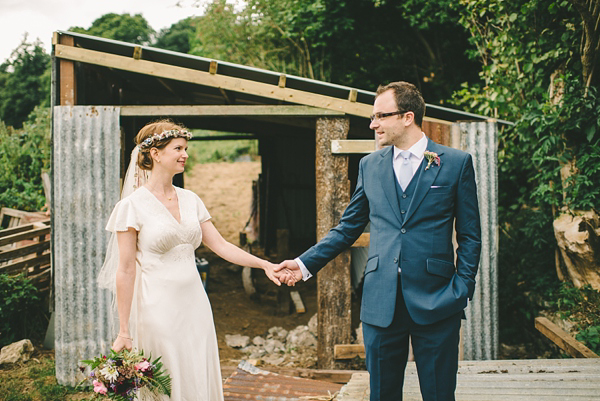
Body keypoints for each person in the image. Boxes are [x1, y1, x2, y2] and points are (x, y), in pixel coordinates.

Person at [276, 82, 481, 401]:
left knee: (440, 394)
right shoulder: (369, 166)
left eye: (380, 116)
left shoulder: (455, 163)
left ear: (408, 117)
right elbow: (346, 229)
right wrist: (303, 264)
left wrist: (462, 287)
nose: (373, 124)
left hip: (438, 298)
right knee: (382, 394)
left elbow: (470, 235)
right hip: (380, 300)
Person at [98, 120, 285, 400]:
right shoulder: (131, 207)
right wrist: (124, 330)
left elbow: (221, 245)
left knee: (197, 370)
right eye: (178, 148)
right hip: (156, 309)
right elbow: (125, 270)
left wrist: (264, 264)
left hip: (196, 305)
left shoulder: (191, 199)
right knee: (168, 378)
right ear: (156, 154)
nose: (185, 154)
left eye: (186, 148)